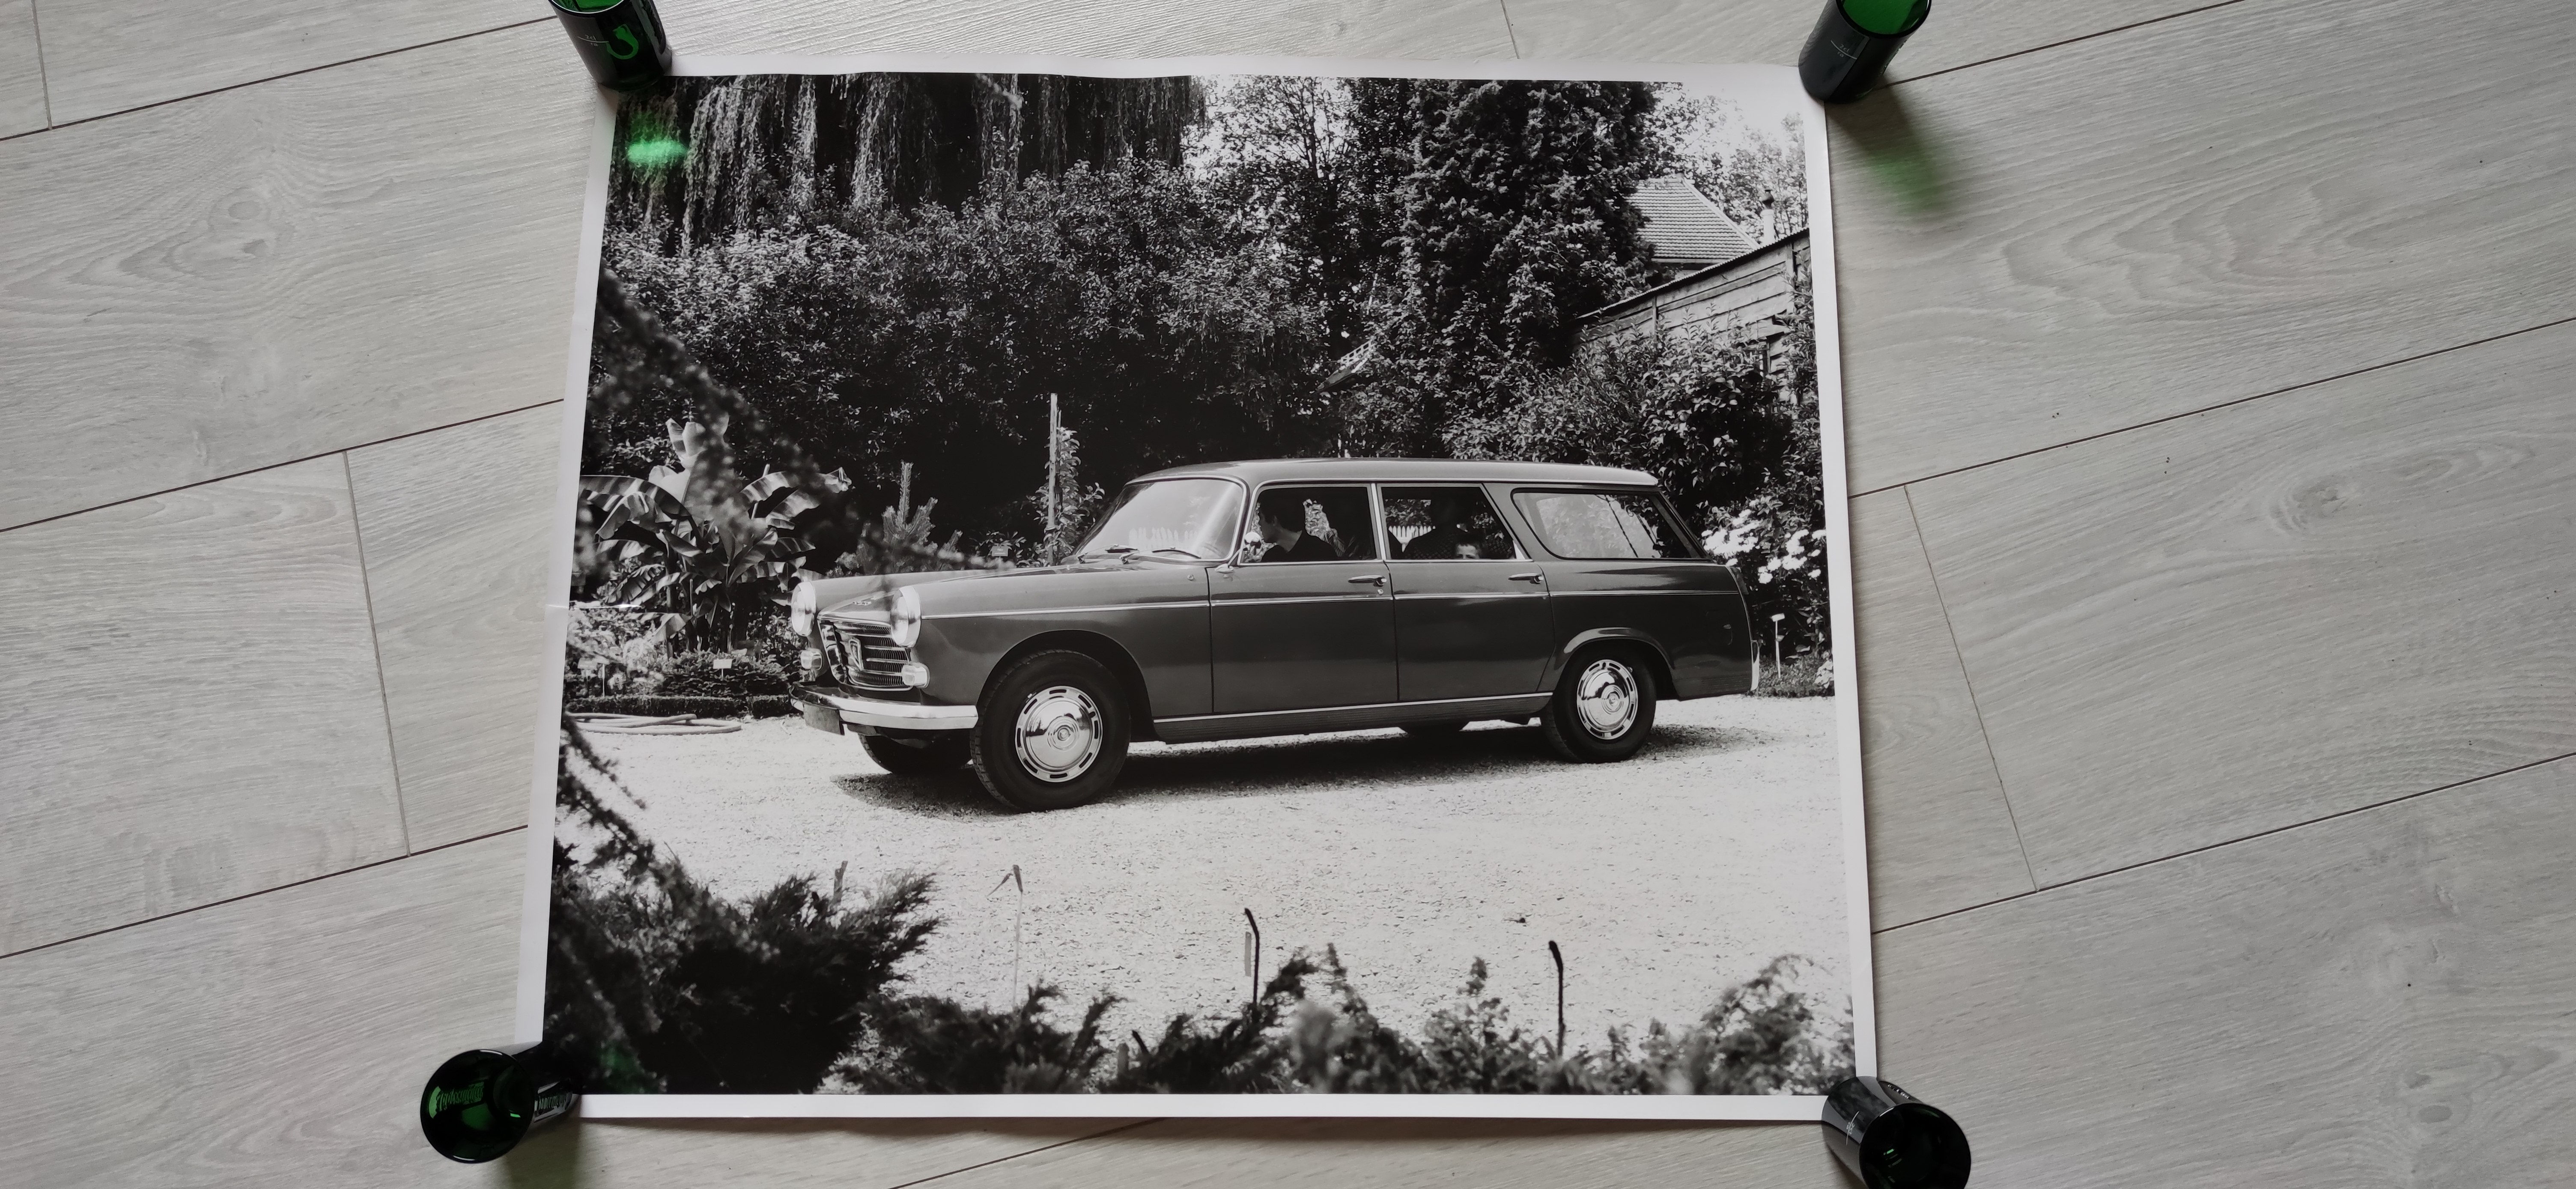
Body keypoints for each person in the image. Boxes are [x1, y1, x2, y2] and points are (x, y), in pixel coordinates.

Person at [1254, 490, 1339, 562]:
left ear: (1274, 521)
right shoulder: (1271, 557)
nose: (1259, 524)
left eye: (1261, 518)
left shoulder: (1322, 554)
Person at [1401, 492, 1471, 560]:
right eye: (1434, 505)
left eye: (1443, 504)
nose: (1435, 509)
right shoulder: (1416, 545)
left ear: (1458, 509)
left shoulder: (1471, 543)